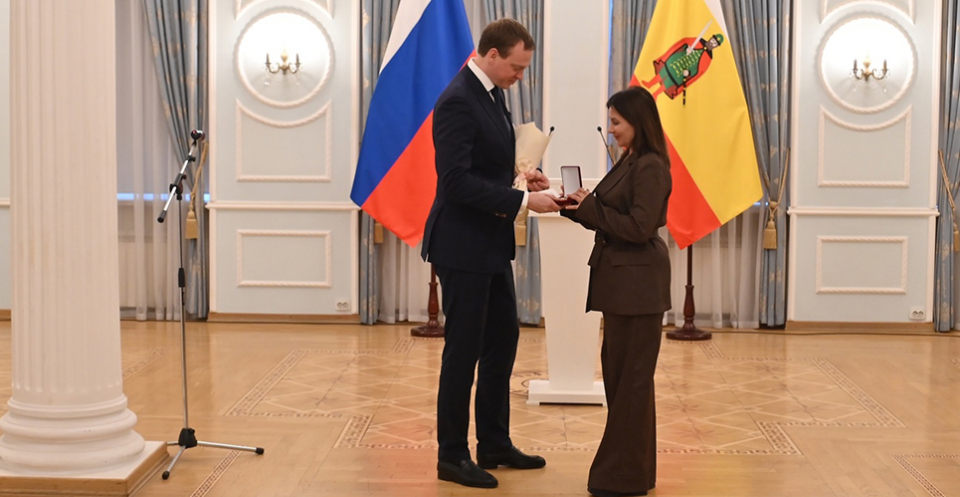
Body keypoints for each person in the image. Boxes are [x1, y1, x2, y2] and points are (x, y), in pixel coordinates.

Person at [421, 18, 561, 489]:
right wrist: (524, 201)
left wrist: (522, 178)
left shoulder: (493, 93)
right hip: (462, 245)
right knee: (463, 351)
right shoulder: (458, 100)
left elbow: (486, 165)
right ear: (493, 54)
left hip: (489, 243)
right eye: (516, 68)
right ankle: (451, 455)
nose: (520, 77)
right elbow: (456, 182)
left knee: (502, 340)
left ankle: (495, 443)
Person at [560, 86, 672, 497]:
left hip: (638, 288)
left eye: (616, 122)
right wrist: (578, 207)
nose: (611, 130)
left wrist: (591, 207)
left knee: (632, 384)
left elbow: (640, 228)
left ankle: (622, 476)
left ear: (637, 122)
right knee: (623, 382)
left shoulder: (651, 166)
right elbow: (611, 215)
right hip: (622, 286)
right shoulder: (631, 160)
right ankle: (633, 472)